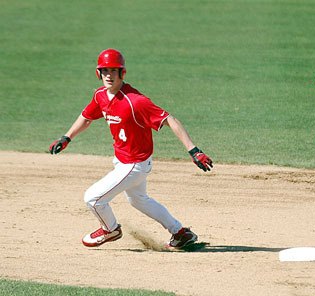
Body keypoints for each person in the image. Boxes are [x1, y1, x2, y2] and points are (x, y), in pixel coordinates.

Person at [49, 48, 213, 249]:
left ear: (122, 73)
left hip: (135, 164)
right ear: (98, 73)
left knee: (93, 199)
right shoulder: (101, 95)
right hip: (123, 161)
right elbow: (87, 117)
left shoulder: (136, 101)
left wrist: (193, 150)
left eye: (114, 71)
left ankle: (110, 230)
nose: (109, 75)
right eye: (105, 70)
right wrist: (67, 137)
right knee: (138, 199)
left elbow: (170, 119)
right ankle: (180, 233)